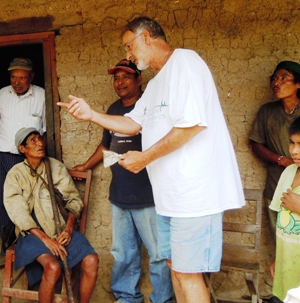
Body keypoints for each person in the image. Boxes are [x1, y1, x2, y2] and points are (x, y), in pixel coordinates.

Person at [58, 16, 245, 303]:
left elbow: (192, 125)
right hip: (171, 200)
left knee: (189, 274)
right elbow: (132, 123)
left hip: (195, 196)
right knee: (176, 269)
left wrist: (145, 157)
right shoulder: (158, 83)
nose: (127, 54)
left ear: (146, 36)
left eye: (128, 45)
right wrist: (92, 114)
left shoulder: (185, 62)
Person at [71, 59, 174, 303]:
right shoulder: (114, 109)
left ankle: (163, 299)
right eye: (116, 78)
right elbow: (106, 146)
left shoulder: (151, 109)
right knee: (123, 252)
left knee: (159, 253)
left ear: (139, 80)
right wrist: (86, 165)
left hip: (149, 196)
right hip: (120, 195)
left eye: (126, 77)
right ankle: (127, 297)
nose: (120, 82)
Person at [3, 127, 98, 303]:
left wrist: (69, 229)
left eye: (39, 138)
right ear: (21, 148)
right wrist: (45, 239)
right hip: (32, 234)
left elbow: (74, 200)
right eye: (32, 140)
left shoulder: (55, 167)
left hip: (60, 229)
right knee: (53, 267)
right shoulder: (15, 174)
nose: (39, 143)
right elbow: (17, 211)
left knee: (91, 260)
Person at [0, 57, 46, 267]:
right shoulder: (2, 94)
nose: (17, 82)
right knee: (5, 204)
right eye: (13, 77)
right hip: (3, 157)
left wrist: (37, 156)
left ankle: (33, 250)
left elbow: (46, 130)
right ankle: (6, 250)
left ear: (31, 77)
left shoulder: (41, 95)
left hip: (29, 159)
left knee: (32, 203)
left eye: (22, 77)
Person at [249, 61, 300, 239]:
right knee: (280, 240)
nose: (276, 83)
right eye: (274, 79)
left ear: (298, 83)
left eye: (284, 78)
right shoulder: (267, 112)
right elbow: (256, 144)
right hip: (276, 186)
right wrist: (280, 160)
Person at [268, 116, 300, 303]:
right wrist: (276, 258)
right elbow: (281, 223)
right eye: (292, 143)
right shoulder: (288, 172)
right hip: (286, 265)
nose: (295, 150)